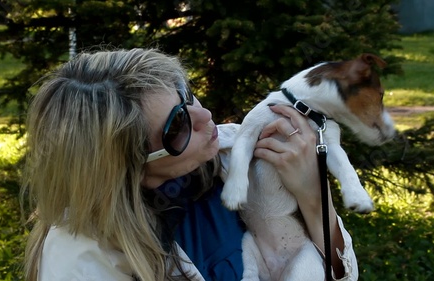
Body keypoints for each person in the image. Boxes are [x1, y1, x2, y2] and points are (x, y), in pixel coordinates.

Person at [21, 48, 358, 281]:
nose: (205, 116)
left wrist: (315, 196)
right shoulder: (82, 258)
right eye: (177, 125)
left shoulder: (232, 156)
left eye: (184, 93)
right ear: (128, 166)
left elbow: (341, 272)